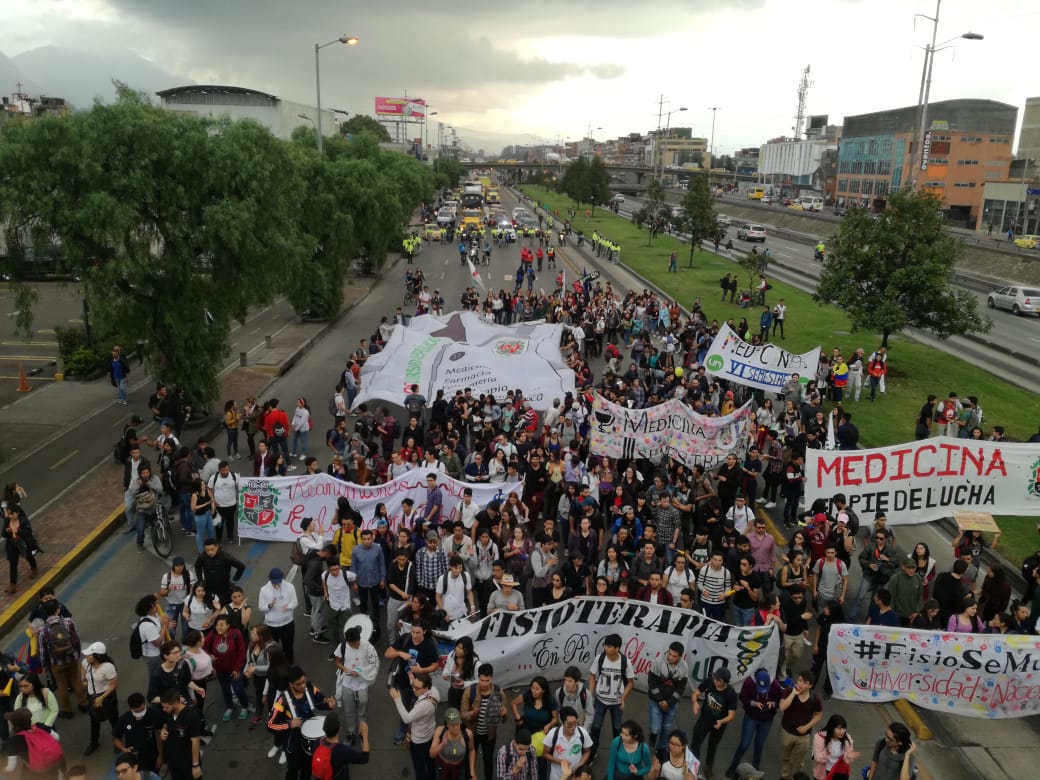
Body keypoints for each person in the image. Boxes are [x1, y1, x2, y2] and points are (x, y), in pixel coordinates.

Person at [267, 666, 336, 780]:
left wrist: (329, 704)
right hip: (293, 744)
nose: (303, 685)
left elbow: (320, 700)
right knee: (293, 771)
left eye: (303, 681)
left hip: (311, 742)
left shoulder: (309, 687)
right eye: (299, 684)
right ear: (291, 684)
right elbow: (270, 725)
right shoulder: (282, 700)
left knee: (307, 769)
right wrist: (289, 725)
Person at [385, 622, 441, 744]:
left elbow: (435, 665)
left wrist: (422, 670)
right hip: (403, 682)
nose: (414, 635)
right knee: (404, 706)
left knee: (418, 709)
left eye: (417, 633)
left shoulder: (429, 645)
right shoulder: (405, 638)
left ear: (424, 632)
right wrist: (400, 653)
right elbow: (387, 653)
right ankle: (403, 729)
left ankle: (415, 731)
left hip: (421, 685)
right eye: (413, 632)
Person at [724, 669, 783, 778]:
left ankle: (756, 768)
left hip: (767, 719)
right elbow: (742, 697)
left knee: (759, 744)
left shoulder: (774, 684)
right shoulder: (748, 682)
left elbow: (780, 699)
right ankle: (734, 766)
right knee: (744, 744)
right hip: (751, 717)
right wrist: (754, 703)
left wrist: (773, 704)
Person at [38, 599, 88, 718]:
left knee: (62, 685)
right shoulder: (68, 622)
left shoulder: (43, 630)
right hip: (71, 658)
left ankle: (67, 710)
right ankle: (84, 703)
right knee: (75, 679)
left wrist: (45, 666)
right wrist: (76, 654)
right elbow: (76, 639)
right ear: (58, 609)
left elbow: (42, 651)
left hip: (56, 662)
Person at [587, 633, 633, 758]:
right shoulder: (600, 658)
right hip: (600, 700)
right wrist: (591, 694)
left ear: (617, 648)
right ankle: (593, 752)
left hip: (617, 702)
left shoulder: (625, 662)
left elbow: (630, 683)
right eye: (605, 645)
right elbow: (592, 676)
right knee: (595, 727)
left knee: (618, 729)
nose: (605, 648)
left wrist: (623, 698)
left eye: (609, 646)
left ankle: (618, 753)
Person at [390, 671, 440, 780]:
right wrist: (412, 680)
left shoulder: (424, 705)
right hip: (429, 734)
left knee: (419, 768)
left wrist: (397, 699)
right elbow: (418, 685)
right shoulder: (434, 691)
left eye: (417, 688)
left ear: (426, 689)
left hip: (419, 741)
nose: (413, 689)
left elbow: (407, 718)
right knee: (430, 762)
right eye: (413, 686)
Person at [688, 667, 737, 778]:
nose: (715, 681)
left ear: (724, 682)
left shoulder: (730, 693)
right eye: (715, 678)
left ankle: (708, 768)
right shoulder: (709, 681)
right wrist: (695, 702)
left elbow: (731, 716)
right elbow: (695, 693)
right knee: (695, 742)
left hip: (718, 724)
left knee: (712, 745)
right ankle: (692, 767)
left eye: (718, 680)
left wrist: (721, 721)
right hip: (704, 719)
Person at [334, 625, 379, 743]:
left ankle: (361, 732)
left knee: (362, 710)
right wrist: (346, 670)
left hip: (362, 684)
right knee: (349, 711)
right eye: (353, 644)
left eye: (357, 643)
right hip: (347, 683)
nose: (356, 645)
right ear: (348, 642)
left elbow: (374, 663)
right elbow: (337, 661)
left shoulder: (368, 647)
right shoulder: (343, 646)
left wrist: (359, 671)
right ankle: (351, 732)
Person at [203, 615, 249, 722]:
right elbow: (204, 648)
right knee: (225, 689)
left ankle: (245, 706)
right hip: (220, 669)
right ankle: (229, 707)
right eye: (217, 625)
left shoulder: (236, 633)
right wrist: (210, 655)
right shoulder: (213, 634)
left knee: (238, 689)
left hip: (235, 669)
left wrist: (237, 669)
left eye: (221, 625)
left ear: (228, 625)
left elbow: (242, 652)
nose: (218, 627)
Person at [646, 641, 689, 757]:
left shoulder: (684, 667)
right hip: (655, 701)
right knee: (655, 728)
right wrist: (660, 700)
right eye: (669, 654)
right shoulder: (658, 662)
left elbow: (681, 688)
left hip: (672, 704)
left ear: (680, 656)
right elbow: (651, 682)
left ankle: (661, 750)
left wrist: (670, 703)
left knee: (666, 729)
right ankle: (652, 739)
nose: (670, 657)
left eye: (674, 656)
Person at [778, 671, 824, 780]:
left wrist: (807, 727)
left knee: (799, 760)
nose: (800, 684)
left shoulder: (814, 698)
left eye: (804, 682)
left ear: (810, 685)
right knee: (785, 756)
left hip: (804, 736)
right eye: (799, 680)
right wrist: (793, 694)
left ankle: (797, 777)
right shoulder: (789, 691)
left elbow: (819, 715)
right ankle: (784, 776)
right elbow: (782, 707)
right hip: (787, 732)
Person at [1, 707, 65, 779]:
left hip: (34, 772)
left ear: (15, 725)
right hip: (53, 766)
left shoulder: (16, 740)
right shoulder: (40, 726)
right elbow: (57, 737)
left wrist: (5, 770)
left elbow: (11, 767)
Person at [113, 692, 164, 774]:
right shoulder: (124, 719)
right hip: (132, 758)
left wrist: (161, 756)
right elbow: (116, 738)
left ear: (144, 704)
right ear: (130, 708)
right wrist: (123, 749)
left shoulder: (154, 714)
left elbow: (160, 735)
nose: (140, 712)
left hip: (151, 756)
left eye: (142, 709)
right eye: (137, 711)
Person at [159, 687, 204, 780]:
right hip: (174, 762)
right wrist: (164, 730)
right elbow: (167, 724)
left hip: (187, 763)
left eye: (166, 707)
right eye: (163, 707)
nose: (164, 709)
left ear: (175, 703)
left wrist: (195, 765)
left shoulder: (191, 715)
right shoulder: (169, 712)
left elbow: (195, 741)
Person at [259, 568, 299, 663]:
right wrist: (269, 605)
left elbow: (295, 602)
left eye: (278, 582)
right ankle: (275, 665)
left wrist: (288, 606)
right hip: (272, 626)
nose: (276, 584)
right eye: (274, 582)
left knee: (288, 646)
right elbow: (261, 608)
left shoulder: (290, 587)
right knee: (272, 648)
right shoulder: (264, 590)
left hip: (287, 623)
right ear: (270, 579)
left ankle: (289, 664)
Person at [543, 706, 593, 780]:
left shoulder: (582, 733)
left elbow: (587, 751)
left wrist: (580, 765)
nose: (573, 727)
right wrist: (560, 761)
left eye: (575, 723)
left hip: (575, 777)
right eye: (569, 724)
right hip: (556, 776)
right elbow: (544, 754)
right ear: (562, 723)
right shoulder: (553, 734)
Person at [430, 706, 477, 780]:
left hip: (459, 769)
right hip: (442, 768)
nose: (456, 727)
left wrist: (472, 771)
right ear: (447, 725)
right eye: (453, 725)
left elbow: (472, 750)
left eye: (457, 724)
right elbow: (432, 754)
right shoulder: (440, 731)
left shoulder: (468, 734)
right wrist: (442, 744)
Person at [811, 713, 859, 780]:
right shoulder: (819, 738)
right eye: (839, 729)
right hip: (824, 772)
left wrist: (847, 756)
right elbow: (818, 758)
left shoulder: (847, 738)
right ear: (832, 728)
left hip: (840, 772)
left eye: (844, 728)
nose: (843, 731)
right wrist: (827, 752)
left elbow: (847, 760)